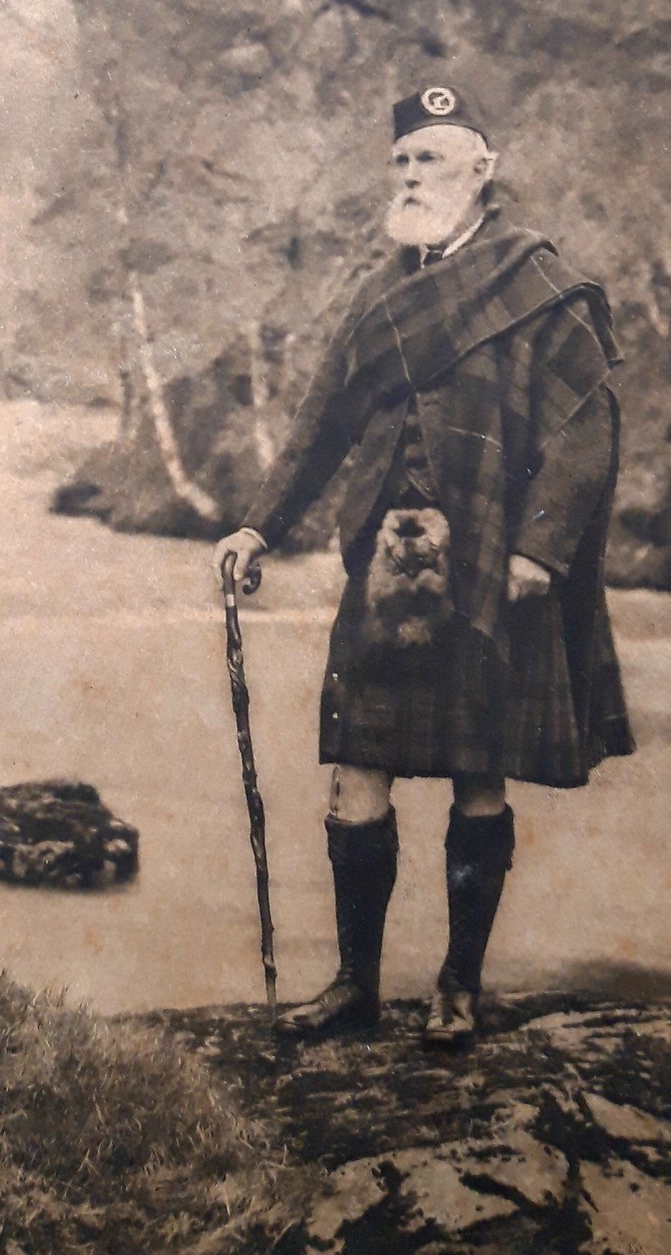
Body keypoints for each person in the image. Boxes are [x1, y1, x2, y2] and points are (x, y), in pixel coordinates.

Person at [214, 81, 633, 1047]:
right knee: (356, 771)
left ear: (482, 170)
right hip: (384, 568)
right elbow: (320, 424)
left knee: (477, 775)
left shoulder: (536, 282)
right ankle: (354, 986)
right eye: (401, 159)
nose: (410, 175)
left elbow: (587, 429)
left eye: (431, 158)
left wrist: (541, 545)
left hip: (491, 561)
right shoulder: (381, 293)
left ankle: (457, 986)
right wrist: (257, 527)